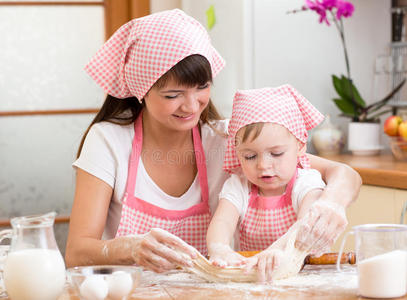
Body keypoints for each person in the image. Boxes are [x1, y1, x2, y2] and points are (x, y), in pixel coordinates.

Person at [65, 9, 361, 273]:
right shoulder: (108, 141)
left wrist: (332, 204)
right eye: (173, 95)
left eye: (202, 87)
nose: (192, 106)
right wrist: (130, 248)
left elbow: (343, 174)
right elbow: (77, 252)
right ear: (141, 91)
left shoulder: (228, 138)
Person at [207, 86, 345, 282]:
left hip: (304, 279)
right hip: (253, 280)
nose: (263, 165)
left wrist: (278, 251)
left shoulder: (307, 182)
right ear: (237, 153)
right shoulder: (238, 185)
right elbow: (223, 221)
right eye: (250, 156)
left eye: (276, 153)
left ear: (300, 146)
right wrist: (219, 248)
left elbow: (305, 225)